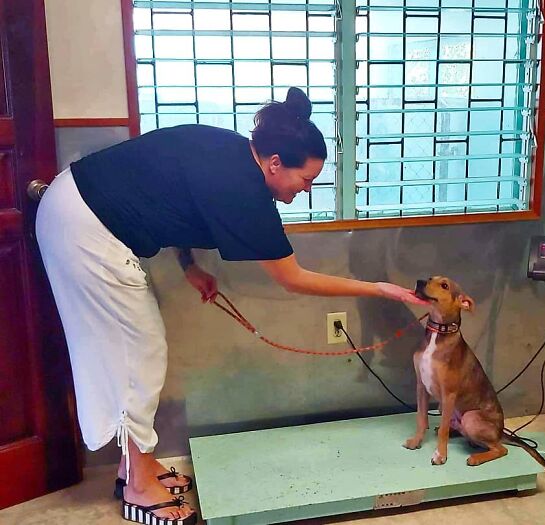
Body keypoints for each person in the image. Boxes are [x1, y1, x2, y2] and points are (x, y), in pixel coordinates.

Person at [36, 88, 427, 525]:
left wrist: (188, 265)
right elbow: (294, 279)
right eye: (306, 180)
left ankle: (136, 466)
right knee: (135, 352)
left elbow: (172, 198)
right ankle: (139, 485)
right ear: (275, 163)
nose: (307, 190)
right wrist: (380, 289)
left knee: (134, 349)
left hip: (77, 206)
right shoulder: (244, 191)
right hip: (83, 227)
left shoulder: (234, 154)